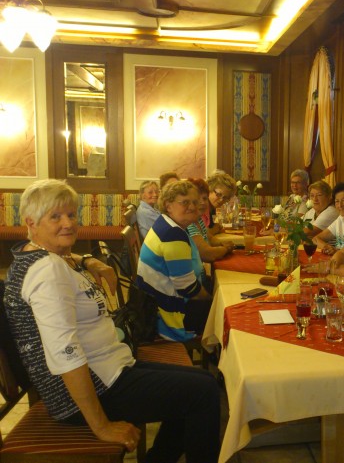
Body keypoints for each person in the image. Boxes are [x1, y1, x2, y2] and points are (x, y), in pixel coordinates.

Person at [3, 179, 220, 463]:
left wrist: (87, 260)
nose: (68, 223)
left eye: (71, 214)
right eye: (55, 216)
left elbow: (56, 255)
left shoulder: (36, 255)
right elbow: (65, 355)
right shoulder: (47, 274)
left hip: (108, 367)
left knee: (202, 382)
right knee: (203, 393)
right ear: (31, 222)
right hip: (91, 389)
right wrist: (102, 426)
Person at [136, 180, 211, 342]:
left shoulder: (164, 223)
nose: (192, 207)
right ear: (168, 205)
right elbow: (187, 289)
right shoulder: (173, 235)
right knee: (223, 308)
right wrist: (211, 298)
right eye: (185, 202)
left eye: (195, 202)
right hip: (168, 316)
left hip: (154, 304)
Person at [186, 177, 234, 262]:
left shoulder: (198, 219)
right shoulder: (188, 223)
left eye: (205, 198)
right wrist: (225, 249)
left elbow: (209, 238)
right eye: (197, 199)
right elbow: (206, 254)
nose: (202, 202)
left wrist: (222, 243)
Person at [205, 172, 237, 239]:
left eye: (225, 197)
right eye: (219, 194)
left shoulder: (211, 207)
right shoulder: (202, 208)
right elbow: (203, 235)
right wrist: (214, 229)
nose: (221, 200)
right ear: (209, 189)